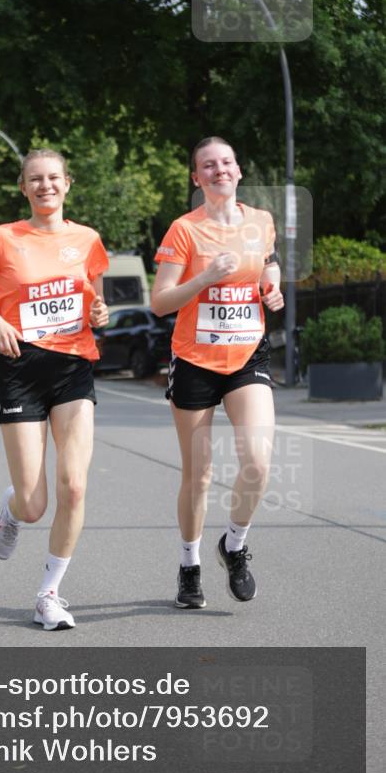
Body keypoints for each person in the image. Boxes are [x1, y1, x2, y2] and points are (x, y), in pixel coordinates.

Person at [0, 149, 109, 631]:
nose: (45, 186)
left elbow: (95, 303)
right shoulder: (3, 238)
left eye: (53, 178)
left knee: (75, 484)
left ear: (68, 183)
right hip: (19, 368)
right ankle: (11, 509)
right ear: (23, 188)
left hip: (72, 368)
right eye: (35, 180)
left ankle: (49, 594)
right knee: (35, 504)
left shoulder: (87, 240)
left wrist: (99, 315)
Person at [151, 136, 284, 609]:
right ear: (197, 178)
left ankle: (234, 543)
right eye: (208, 166)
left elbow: (268, 264)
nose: (219, 170)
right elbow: (160, 301)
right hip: (194, 362)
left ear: (238, 171)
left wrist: (272, 288)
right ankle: (190, 566)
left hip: (248, 355)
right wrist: (205, 277)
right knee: (199, 474)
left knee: (258, 461)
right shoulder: (184, 230)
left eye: (226, 162)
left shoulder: (261, 221)